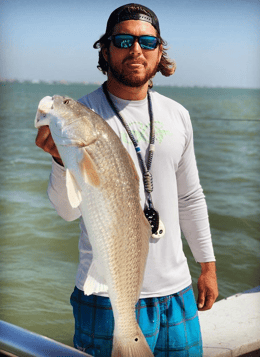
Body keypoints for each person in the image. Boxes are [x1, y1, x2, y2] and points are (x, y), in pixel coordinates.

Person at [35, 3, 218, 356]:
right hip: (105, 296)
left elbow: (190, 196)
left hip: (177, 292)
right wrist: (60, 160)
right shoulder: (82, 115)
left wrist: (207, 266)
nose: (136, 50)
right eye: (123, 40)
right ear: (105, 49)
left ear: (159, 51)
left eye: (147, 42)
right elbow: (67, 211)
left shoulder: (177, 114)